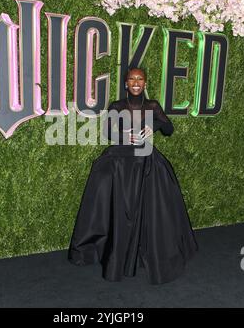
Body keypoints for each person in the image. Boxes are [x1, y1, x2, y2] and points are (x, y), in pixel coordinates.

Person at [68, 67, 198, 284]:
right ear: (126, 83)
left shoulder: (152, 105)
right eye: (132, 79)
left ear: (145, 83)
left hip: (146, 161)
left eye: (140, 79)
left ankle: (148, 251)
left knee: (154, 205)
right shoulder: (117, 106)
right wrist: (123, 135)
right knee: (112, 200)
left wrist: (154, 126)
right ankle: (110, 250)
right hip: (120, 161)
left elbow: (169, 129)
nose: (136, 82)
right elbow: (107, 132)